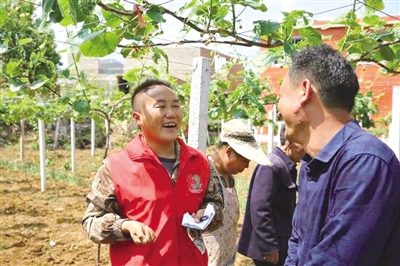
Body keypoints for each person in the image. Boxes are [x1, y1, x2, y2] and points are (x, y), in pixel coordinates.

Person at [277, 43, 400, 265]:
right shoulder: (310, 163)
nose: (278, 107)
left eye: (281, 95)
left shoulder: (365, 161)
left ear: (304, 91)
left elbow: (336, 259)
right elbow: (297, 241)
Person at [82, 78, 224, 266]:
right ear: (137, 118)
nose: (171, 114)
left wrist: (207, 213)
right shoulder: (116, 166)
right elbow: (91, 222)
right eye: (161, 107)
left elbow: (216, 204)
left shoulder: (200, 162)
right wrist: (124, 226)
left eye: (176, 106)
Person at [203, 119, 272, 266]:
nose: (247, 166)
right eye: (245, 160)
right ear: (228, 151)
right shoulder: (203, 174)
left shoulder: (230, 179)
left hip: (226, 259)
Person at [237, 128, 304, 266]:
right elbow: (260, 209)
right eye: (304, 143)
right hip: (271, 248)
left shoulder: (285, 165)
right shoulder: (271, 165)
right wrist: (269, 246)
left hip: (281, 242)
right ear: (291, 143)